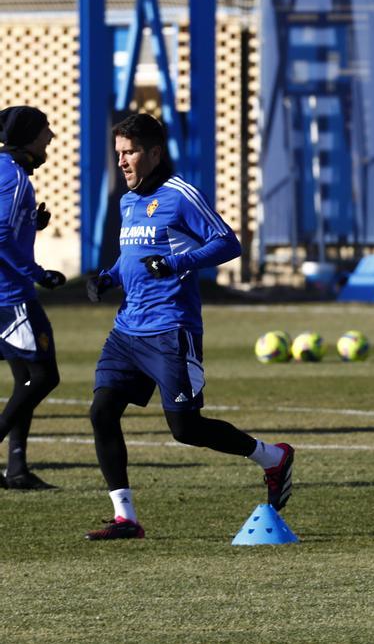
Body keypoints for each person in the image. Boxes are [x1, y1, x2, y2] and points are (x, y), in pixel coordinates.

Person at [83, 113, 293, 540]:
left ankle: (272, 457)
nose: (122, 161)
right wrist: (108, 277)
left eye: (131, 152)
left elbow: (227, 241)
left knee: (186, 429)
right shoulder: (127, 201)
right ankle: (126, 518)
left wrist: (177, 262)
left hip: (170, 330)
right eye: (119, 153)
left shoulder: (179, 195)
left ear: (155, 153)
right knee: (102, 413)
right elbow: (134, 259)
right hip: (127, 330)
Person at [0, 106, 65, 490]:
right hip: (11, 296)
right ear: (27, 138)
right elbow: (2, 237)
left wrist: (31, 222)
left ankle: (18, 469)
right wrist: (39, 274)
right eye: (45, 131)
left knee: (24, 376)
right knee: (43, 376)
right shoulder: (16, 180)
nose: (51, 138)